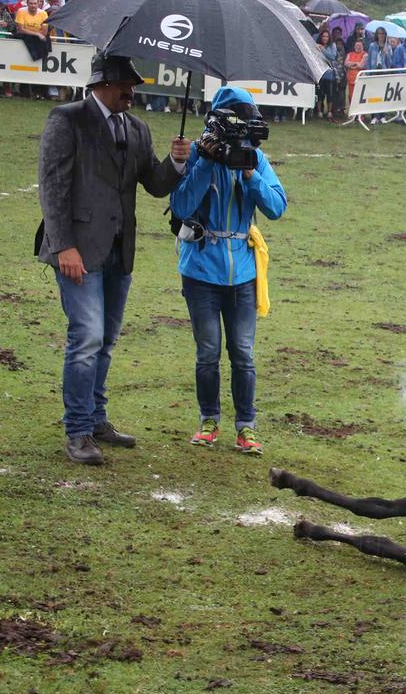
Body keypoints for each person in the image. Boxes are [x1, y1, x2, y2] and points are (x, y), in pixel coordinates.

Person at [36, 55, 190, 465]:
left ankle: (97, 418)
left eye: (134, 85)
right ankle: (79, 430)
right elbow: (53, 188)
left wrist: (176, 162)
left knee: (105, 339)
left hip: (120, 252)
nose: (132, 92)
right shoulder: (67, 119)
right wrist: (63, 244)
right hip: (78, 251)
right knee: (86, 337)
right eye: (126, 84)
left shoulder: (136, 128)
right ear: (103, 82)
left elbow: (154, 186)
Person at [170, 87, 286, 454]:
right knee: (207, 352)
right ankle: (208, 420)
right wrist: (204, 161)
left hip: (243, 275)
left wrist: (250, 173)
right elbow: (181, 204)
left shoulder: (256, 159)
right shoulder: (197, 155)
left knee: (243, 354)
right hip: (201, 271)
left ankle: (246, 427)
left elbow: (277, 207)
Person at [343, 39, 365, 110]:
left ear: (362, 46)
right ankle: (352, 112)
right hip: (351, 79)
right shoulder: (350, 54)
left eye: (359, 45)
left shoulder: (365, 54)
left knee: (359, 97)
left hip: (360, 80)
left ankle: (360, 114)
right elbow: (346, 63)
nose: (358, 47)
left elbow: (361, 65)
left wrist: (351, 64)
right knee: (351, 96)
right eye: (356, 45)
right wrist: (355, 64)